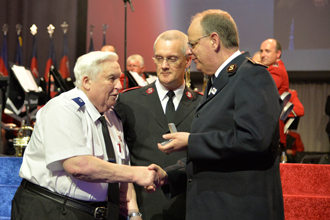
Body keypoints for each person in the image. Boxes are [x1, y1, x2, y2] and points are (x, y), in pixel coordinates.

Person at [154, 9, 284, 220]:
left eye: (193, 44)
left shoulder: (252, 76)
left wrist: (191, 142)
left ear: (214, 40)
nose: (190, 52)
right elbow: (219, 155)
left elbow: (253, 140)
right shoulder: (220, 81)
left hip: (238, 211)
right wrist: (170, 176)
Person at [11, 51, 163, 220]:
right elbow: (78, 166)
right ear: (87, 82)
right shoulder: (63, 108)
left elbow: (120, 174)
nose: (119, 86)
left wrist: (134, 214)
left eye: (119, 79)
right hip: (51, 210)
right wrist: (137, 173)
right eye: (111, 79)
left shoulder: (112, 116)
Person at [115, 30, 202, 220]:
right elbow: (119, 157)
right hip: (142, 209)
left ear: (188, 61)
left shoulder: (202, 105)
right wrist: (132, 210)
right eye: (159, 58)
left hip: (189, 208)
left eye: (171, 59)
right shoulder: (129, 101)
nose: (163, 66)